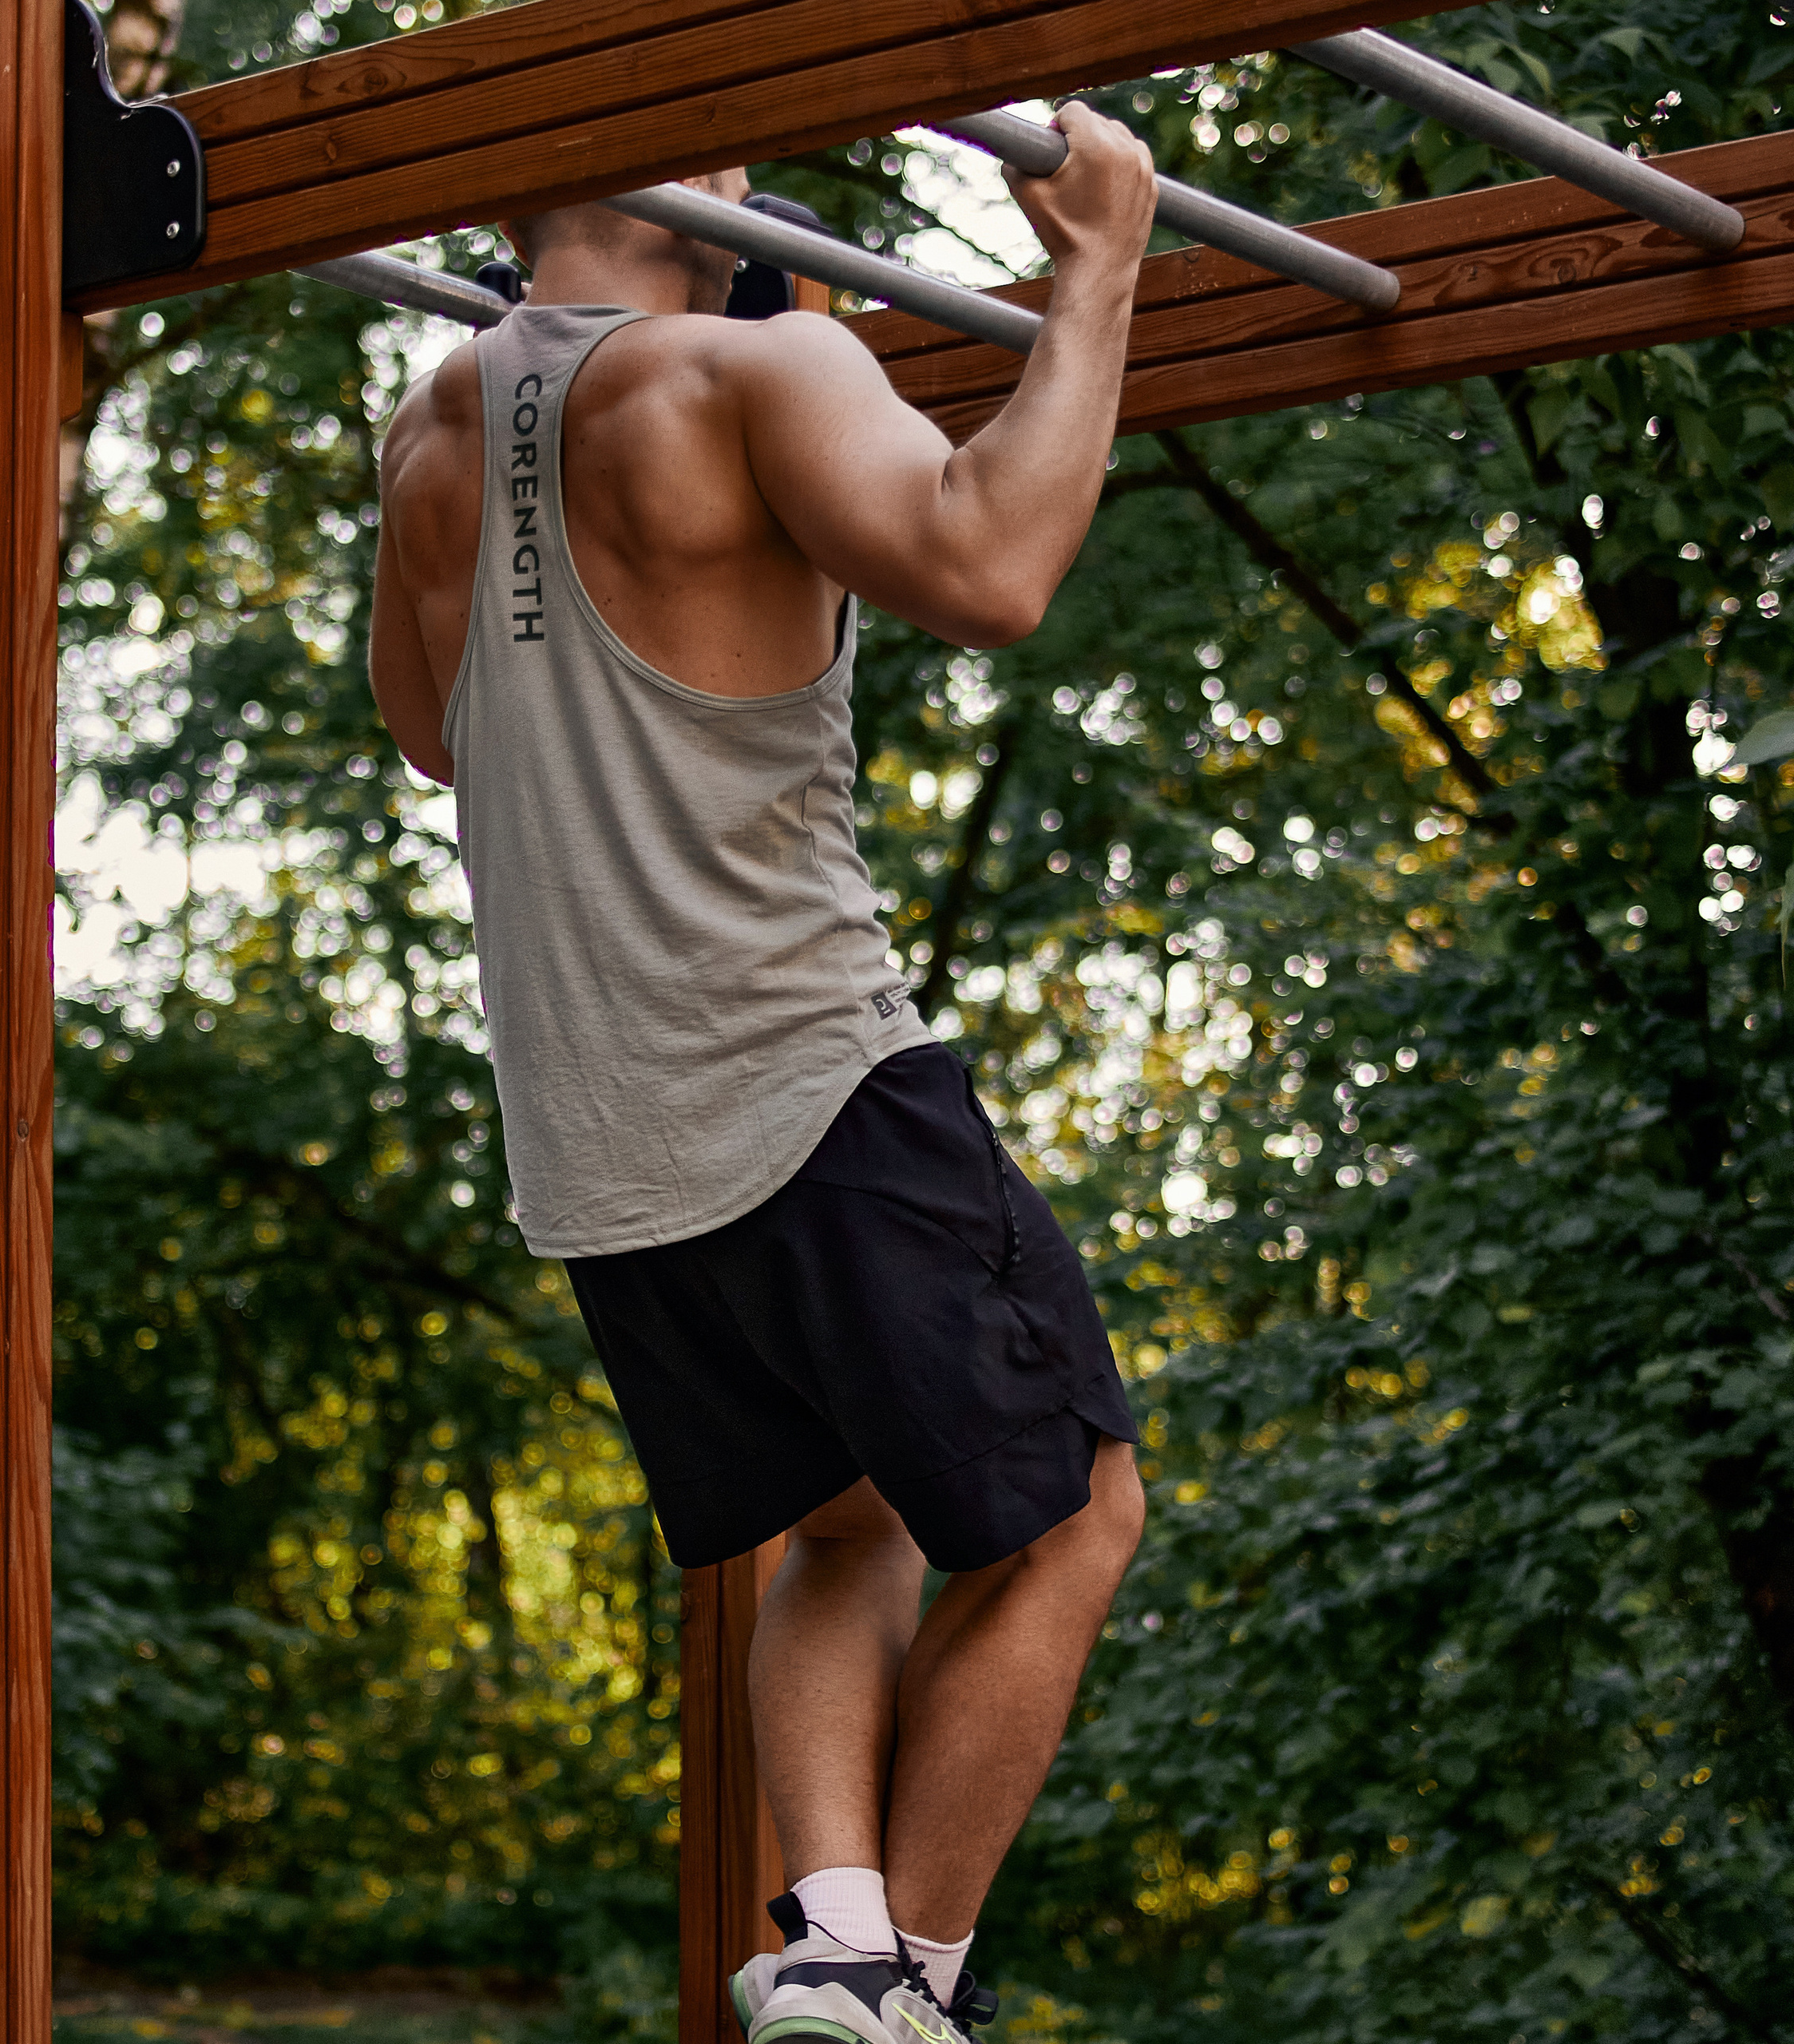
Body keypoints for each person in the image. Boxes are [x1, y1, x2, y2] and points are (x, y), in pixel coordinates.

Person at [369, 105, 1158, 2044]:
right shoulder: (766, 362)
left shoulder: (428, 435)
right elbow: (986, 564)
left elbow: (427, 735)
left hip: (601, 1152)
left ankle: (829, 1942)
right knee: (1071, 1517)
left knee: (842, 1525)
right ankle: (916, 1989)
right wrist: (1098, 271)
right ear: (712, 183)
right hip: (809, 1077)